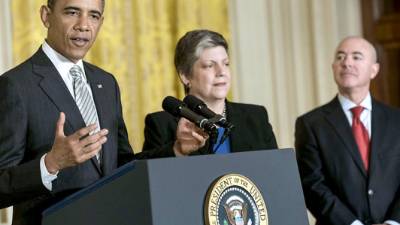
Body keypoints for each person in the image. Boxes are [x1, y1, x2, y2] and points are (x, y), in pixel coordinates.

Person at [0, 0, 199, 224]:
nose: (83, 25)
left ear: (101, 22)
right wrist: (50, 164)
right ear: (46, 16)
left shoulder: (105, 83)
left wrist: (176, 150)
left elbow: (122, 166)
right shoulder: (15, 85)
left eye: (93, 16)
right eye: (72, 12)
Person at [295, 36, 400, 225]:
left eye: (356, 57)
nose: (347, 63)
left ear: (374, 70)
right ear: (333, 67)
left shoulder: (396, 120)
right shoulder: (311, 124)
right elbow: (312, 184)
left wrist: (393, 222)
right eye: (340, 57)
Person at [143, 29, 278, 155]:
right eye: (210, 65)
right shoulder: (160, 124)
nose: (221, 72)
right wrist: (178, 150)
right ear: (185, 75)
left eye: (226, 64)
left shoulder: (257, 118)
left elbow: (274, 172)